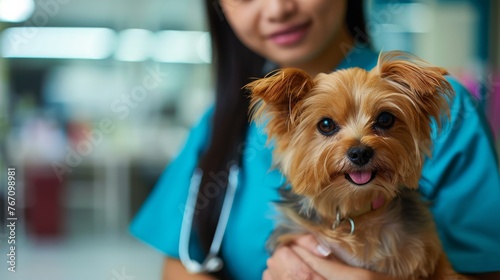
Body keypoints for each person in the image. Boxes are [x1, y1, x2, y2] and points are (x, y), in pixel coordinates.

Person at [130, 0, 500, 279]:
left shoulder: (432, 100)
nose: (278, 9)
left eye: (384, 121)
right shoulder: (222, 122)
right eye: (326, 126)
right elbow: (179, 262)